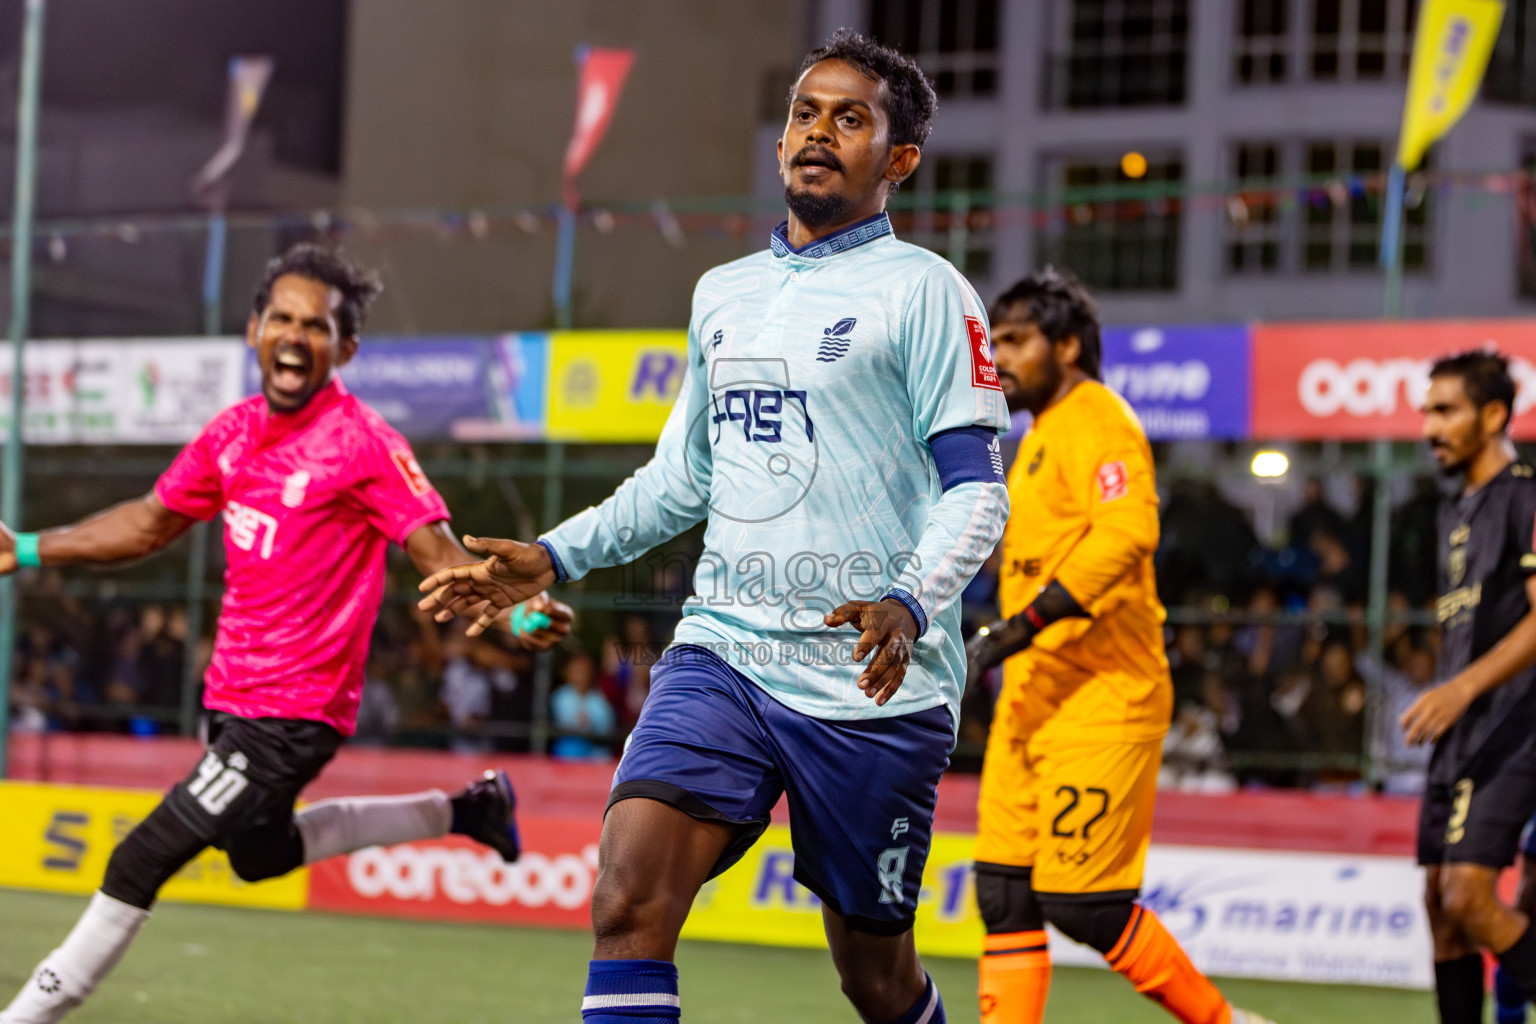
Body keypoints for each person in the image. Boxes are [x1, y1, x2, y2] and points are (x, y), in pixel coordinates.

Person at [418, 31, 1008, 1024]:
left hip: (871, 689)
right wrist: (555, 552)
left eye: (849, 118)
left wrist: (909, 601)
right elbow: (681, 480)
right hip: (723, 656)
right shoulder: (722, 294)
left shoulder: (928, 293)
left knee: (875, 977)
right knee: (626, 898)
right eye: (804, 113)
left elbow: (978, 491)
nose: (817, 133)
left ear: (898, 160)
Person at [0, 244, 572, 1024]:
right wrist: (28, 546)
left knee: (139, 858)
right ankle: (468, 812)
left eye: (317, 325)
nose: (296, 335)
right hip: (231, 704)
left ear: (345, 349)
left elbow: (438, 554)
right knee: (259, 858)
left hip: (292, 716)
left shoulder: (366, 444)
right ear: (254, 330)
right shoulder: (232, 433)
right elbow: (150, 522)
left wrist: (519, 609)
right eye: (283, 319)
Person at [963, 269, 1270, 1024]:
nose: (997, 357)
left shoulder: (1099, 416)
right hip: (1032, 703)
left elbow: (1129, 531)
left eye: (1016, 340)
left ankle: (1222, 1022)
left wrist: (1022, 628)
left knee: (1085, 903)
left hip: (1104, 697)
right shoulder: (1034, 437)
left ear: (1068, 346)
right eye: (993, 340)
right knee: (1003, 894)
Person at [1400, 349, 1536, 1024]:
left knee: (1468, 899)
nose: (1429, 426)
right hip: (1463, 728)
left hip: (1517, 723)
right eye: (1427, 410)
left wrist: (1462, 688)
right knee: (1439, 907)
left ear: (1493, 414)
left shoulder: (1526, 494)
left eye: (1445, 410)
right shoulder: (1454, 512)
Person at [550, 651, 617, 759]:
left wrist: (589, 722)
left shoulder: (598, 697)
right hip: (567, 754)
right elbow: (564, 720)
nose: (580, 675)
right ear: (567, 672)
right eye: (576, 670)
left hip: (595, 756)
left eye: (584, 670)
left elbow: (607, 725)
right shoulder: (560, 696)